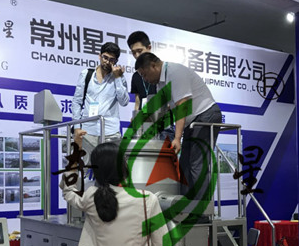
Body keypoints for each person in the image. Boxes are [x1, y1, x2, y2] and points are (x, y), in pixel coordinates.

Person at [135, 52, 222, 197]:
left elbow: (182, 106)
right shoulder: (161, 83)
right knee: (185, 165)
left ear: (153, 66)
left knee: (197, 163)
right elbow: (162, 110)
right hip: (192, 121)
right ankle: (185, 205)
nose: (145, 80)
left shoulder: (175, 72)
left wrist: (177, 138)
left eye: (144, 75)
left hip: (205, 115)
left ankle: (202, 207)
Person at [71, 42, 129, 156]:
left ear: (116, 61)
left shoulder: (119, 77)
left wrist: (117, 78)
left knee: (111, 166)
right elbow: (77, 102)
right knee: (87, 166)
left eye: (111, 60)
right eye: (105, 57)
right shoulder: (86, 74)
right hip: (88, 131)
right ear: (99, 56)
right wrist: (77, 127)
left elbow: (124, 102)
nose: (107, 62)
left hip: (110, 132)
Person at [126, 31, 174, 141]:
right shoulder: (136, 76)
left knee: (165, 151)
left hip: (163, 122)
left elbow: (172, 98)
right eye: (133, 53)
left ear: (149, 47)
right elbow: (137, 100)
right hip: (144, 124)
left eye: (139, 51)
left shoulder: (162, 69)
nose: (137, 55)